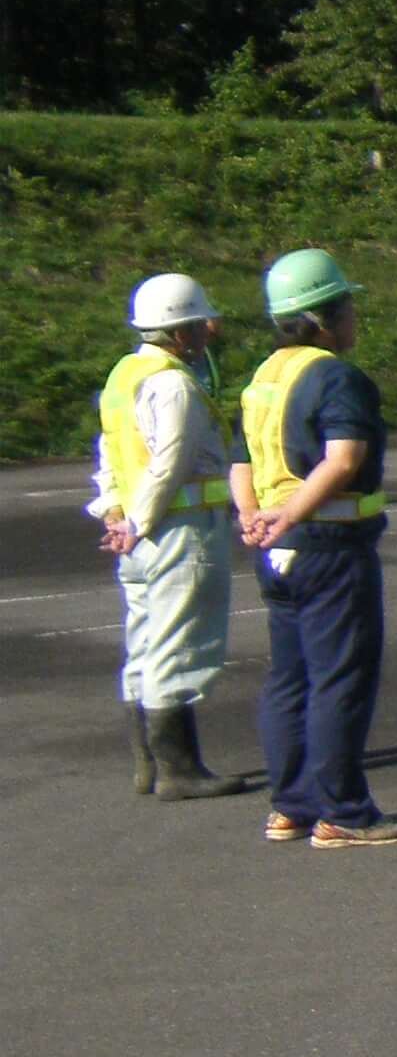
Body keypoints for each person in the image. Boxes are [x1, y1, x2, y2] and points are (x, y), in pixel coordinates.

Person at [237, 248, 397, 847]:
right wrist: (290, 514)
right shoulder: (335, 376)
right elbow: (344, 460)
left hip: (276, 550)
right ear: (324, 315)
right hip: (328, 546)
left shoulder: (266, 376)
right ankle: (345, 812)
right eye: (348, 305)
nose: (354, 317)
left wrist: (254, 517)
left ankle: (290, 806)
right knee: (340, 678)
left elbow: (242, 461)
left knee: (288, 678)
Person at [91, 271, 253, 799]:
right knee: (178, 645)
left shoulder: (124, 376)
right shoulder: (175, 383)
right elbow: (170, 462)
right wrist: (137, 524)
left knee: (142, 644)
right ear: (179, 333)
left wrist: (117, 516)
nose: (208, 332)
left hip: (136, 535)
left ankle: (148, 765)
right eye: (199, 325)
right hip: (176, 532)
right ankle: (179, 770)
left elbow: (110, 454)